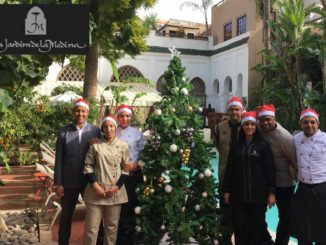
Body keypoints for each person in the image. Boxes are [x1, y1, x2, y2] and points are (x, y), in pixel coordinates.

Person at [223, 111, 276, 245]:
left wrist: (271, 193)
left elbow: (270, 170)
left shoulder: (263, 145)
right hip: (238, 196)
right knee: (240, 227)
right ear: (242, 126)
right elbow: (230, 169)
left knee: (256, 229)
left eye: (252, 124)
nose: (250, 127)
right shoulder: (236, 145)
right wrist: (226, 190)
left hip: (258, 196)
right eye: (246, 124)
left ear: (256, 126)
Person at [53, 98, 101, 245]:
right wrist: (58, 182)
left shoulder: (95, 131)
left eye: (83, 111)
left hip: (90, 182)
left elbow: (104, 151)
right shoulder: (64, 132)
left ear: (87, 113)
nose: (80, 114)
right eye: (78, 111)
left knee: (95, 216)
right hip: (69, 182)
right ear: (73, 112)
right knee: (66, 215)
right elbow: (59, 159)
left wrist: (98, 143)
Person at [83, 116, 129, 245]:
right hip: (95, 192)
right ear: (102, 129)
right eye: (105, 126)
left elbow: (126, 169)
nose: (108, 129)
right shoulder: (95, 145)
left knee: (111, 229)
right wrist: (95, 185)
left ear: (115, 127)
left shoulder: (123, 145)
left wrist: (117, 187)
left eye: (111, 126)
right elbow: (88, 166)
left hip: (115, 192)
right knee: (91, 229)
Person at [257, 104, 297, 245]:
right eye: (262, 120)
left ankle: (281, 242)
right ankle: (266, 240)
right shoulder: (258, 128)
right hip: (265, 182)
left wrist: (293, 169)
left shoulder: (284, 137)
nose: (265, 123)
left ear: (274, 118)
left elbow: (295, 159)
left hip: (284, 183)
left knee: (285, 217)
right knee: (256, 213)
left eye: (268, 119)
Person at [291, 108, 326, 245]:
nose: (309, 125)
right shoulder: (296, 139)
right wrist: (290, 166)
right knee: (302, 226)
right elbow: (290, 156)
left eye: (312, 122)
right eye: (306, 122)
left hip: (322, 189)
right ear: (301, 124)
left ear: (318, 124)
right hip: (303, 189)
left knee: (322, 227)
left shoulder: (325, 138)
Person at [213, 96, 243, 245]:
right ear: (228, 111)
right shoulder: (219, 128)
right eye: (232, 109)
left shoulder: (249, 126)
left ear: (242, 110)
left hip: (243, 180)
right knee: (225, 216)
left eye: (237, 109)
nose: (234, 112)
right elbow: (218, 146)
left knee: (242, 217)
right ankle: (225, 241)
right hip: (225, 178)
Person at [115, 104, 145, 245]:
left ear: (130, 117)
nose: (124, 119)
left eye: (127, 116)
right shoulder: (112, 131)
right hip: (117, 176)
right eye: (121, 116)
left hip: (133, 175)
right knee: (118, 209)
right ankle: (118, 238)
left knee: (133, 206)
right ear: (117, 117)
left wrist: (135, 165)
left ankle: (133, 238)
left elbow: (144, 154)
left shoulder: (137, 133)